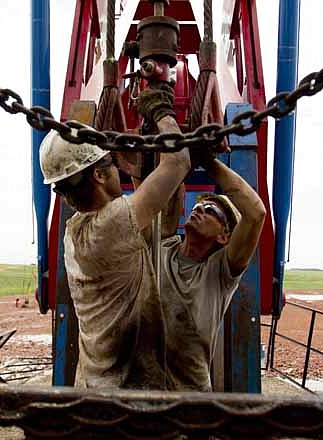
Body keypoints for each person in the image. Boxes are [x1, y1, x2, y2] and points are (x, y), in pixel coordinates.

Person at [39, 83, 190, 389]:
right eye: (109, 163)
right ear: (97, 174)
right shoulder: (112, 224)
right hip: (126, 395)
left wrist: (138, 174)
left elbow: (147, 225)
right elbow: (178, 161)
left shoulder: (75, 231)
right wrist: (161, 110)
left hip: (93, 386)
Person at [159, 158, 266, 391]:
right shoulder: (162, 248)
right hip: (139, 394)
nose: (200, 209)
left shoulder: (219, 273)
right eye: (198, 207)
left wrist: (207, 159)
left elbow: (256, 214)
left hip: (189, 401)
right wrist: (181, 154)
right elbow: (169, 184)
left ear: (224, 237)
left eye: (212, 211)